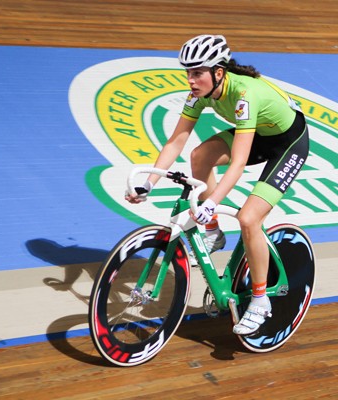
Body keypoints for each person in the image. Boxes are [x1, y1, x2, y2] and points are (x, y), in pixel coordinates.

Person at [125, 34, 310, 335]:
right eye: (188, 73)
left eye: (197, 73)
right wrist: (149, 183)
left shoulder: (244, 95)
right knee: (199, 156)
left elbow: (237, 163)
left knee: (249, 218)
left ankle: (261, 300)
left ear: (218, 72)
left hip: (288, 143)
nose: (191, 80)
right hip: (258, 135)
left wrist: (211, 203)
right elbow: (177, 141)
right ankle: (213, 232)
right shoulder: (198, 95)